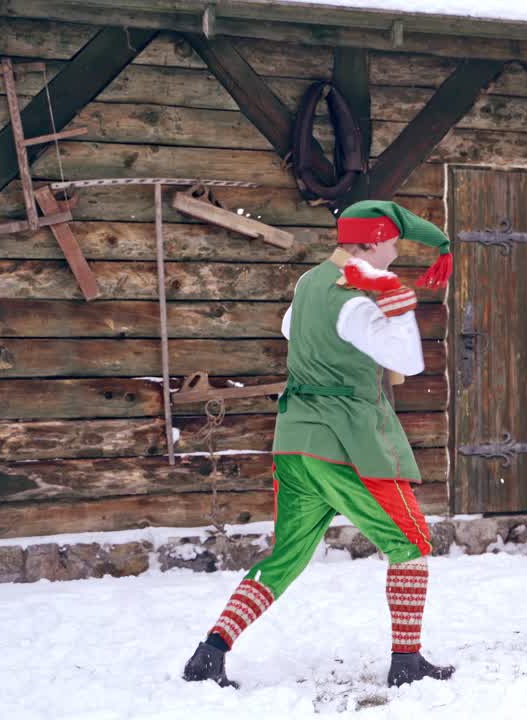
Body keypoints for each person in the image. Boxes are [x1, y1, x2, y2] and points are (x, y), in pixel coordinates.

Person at [182, 200, 456, 689]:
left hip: (295, 442)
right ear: (372, 241)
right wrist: (396, 305)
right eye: (394, 241)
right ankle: (406, 662)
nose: (397, 250)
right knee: (410, 542)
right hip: (345, 444)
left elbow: (290, 328)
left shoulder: (309, 283)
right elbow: (410, 363)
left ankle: (211, 651)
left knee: (285, 555)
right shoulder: (355, 300)